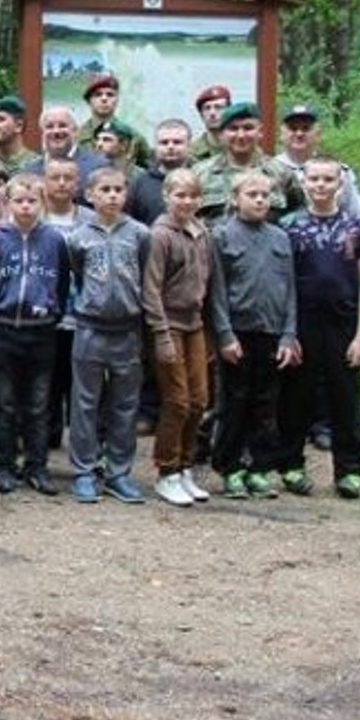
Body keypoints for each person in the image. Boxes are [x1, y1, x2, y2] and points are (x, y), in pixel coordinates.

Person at [277, 157, 360, 499]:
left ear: (340, 184)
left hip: (344, 323)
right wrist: (286, 333)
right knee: (296, 394)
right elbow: (284, 281)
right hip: (302, 322)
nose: (321, 185)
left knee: (345, 396)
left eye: (328, 179)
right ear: (303, 183)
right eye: (314, 179)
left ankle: (349, 469)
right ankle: (291, 463)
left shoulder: (357, 227)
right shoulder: (289, 225)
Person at [207, 172, 299, 499]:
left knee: (266, 404)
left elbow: (290, 290)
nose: (260, 200)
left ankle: (259, 467)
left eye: (265, 194)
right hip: (237, 333)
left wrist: (289, 335)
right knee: (235, 402)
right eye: (252, 194)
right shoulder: (221, 236)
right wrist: (224, 334)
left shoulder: (280, 238)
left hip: (272, 332)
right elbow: (216, 291)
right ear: (236, 199)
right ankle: (230, 466)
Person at [0, 174, 70, 494]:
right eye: (19, 200)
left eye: (32, 200)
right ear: (8, 203)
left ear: (42, 203)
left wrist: (50, 310)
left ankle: (37, 466)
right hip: (2, 331)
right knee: (2, 402)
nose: (26, 207)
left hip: (41, 332)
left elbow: (62, 284)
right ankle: (5, 465)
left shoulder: (55, 240)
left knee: (38, 404)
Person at [61, 167, 150, 505]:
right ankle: (84, 470)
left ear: (125, 195)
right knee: (85, 403)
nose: (112, 195)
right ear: (90, 195)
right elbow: (76, 275)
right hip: (89, 328)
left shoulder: (140, 234)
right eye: (105, 190)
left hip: (128, 329)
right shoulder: (77, 237)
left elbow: (145, 271)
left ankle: (118, 472)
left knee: (125, 404)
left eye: (118, 189)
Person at [142, 167, 215, 507]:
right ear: (166, 196)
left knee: (200, 399)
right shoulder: (160, 235)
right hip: (168, 323)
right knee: (177, 400)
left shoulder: (202, 232)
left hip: (195, 323)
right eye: (179, 195)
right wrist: (160, 334)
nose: (186, 202)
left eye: (192, 195)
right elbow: (152, 288)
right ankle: (167, 469)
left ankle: (186, 464)